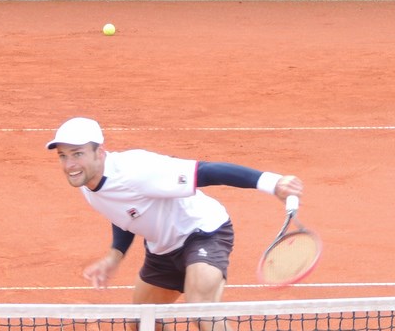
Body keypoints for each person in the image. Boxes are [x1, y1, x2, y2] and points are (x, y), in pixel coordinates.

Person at [46, 116, 304, 308]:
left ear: (99, 153)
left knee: (200, 310)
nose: (70, 165)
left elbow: (206, 171)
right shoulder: (86, 182)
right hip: (162, 249)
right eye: (63, 156)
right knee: (144, 322)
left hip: (203, 232)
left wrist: (272, 182)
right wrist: (114, 256)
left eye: (77, 154)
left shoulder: (137, 169)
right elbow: (124, 212)